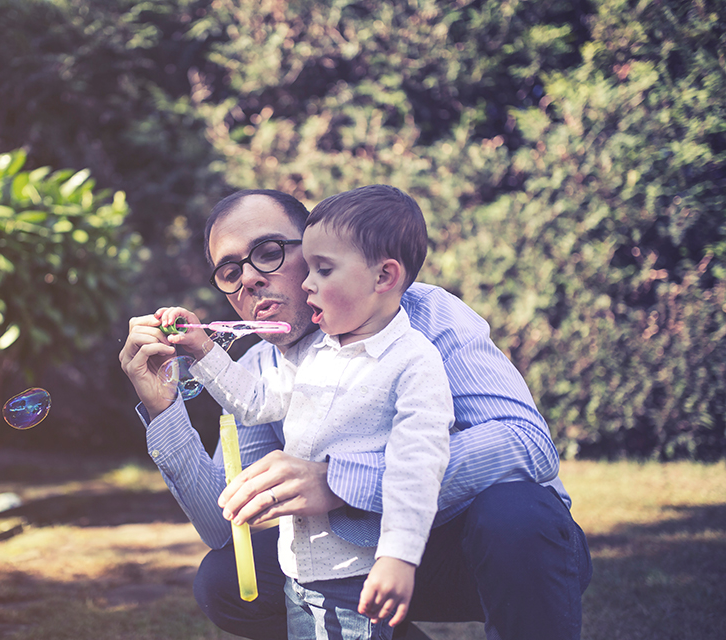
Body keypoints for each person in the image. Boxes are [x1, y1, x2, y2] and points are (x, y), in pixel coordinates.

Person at [118, 188, 592, 640]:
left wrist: (339, 482)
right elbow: (225, 526)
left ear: (319, 249)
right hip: (354, 565)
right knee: (224, 580)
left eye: (267, 253)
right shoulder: (260, 366)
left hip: (483, 550)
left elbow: (526, 443)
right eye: (228, 271)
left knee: (514, 512)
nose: (248, 279)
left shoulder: (426, 319)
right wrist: (164, 408)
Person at [158, 185, 453, 637]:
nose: (308, 283)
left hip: (356, 573)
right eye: (231, 270)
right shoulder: (313, 353)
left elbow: (417, 468)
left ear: (384, 276)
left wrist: (398, 557)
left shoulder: (414, 360)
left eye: (322, 269)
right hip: (300, 571)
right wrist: (200, 349)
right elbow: (254, 401)